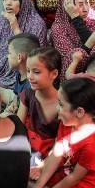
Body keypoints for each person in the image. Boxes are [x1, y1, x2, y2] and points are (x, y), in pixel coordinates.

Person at [16, 46, 62, 175]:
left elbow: (60, 142)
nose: (30, 76)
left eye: (36, 72)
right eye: (28, 71)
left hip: (50, 150)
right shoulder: (28, 94)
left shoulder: (63, 105)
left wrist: (42, 166)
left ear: (54, 74)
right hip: (29, 142)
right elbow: (18, 127)